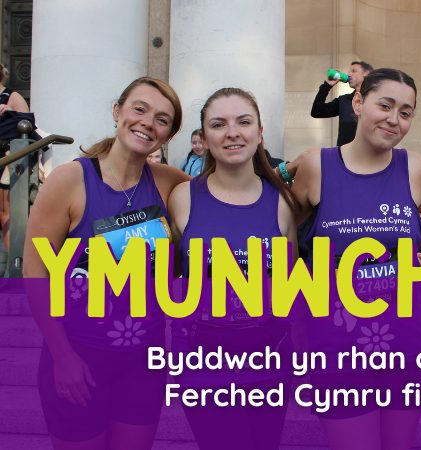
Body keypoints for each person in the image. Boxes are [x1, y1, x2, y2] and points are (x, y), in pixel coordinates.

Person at [22, 77, 187, 449]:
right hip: (77, 358)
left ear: (168, 134)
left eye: (162, 119)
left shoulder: (170, 183)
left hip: (143, 363)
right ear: (118, 111)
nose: (148, 122)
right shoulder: (69, 181)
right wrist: (62, 356)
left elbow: (226, 194)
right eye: (139, 109)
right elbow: (35, 273)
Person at [292, 68, 421, 450]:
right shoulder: (316, 166)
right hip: (337, 343)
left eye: (405, 112)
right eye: (384, 105)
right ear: (358, 102)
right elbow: (291, 239)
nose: (394, 119)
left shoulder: (415, 167)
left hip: (407, 339)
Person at [167, 87, 298, 450]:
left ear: (260, 132)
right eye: (218, 124)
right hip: (204, 359)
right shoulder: (182, 197)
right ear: (204, 138)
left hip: (270, 357)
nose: (232, 132)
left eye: (243, 122)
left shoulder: (284, 202)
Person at [0, 62, 30, 252]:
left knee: (5, 215)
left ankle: (13, 267)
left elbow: (29, 127)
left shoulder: (11, 96)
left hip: (6, 158)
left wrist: (10, 113)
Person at [310, 60, 374, 146]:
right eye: (349, 71)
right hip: (344, 156)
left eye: (354, 71)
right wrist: (327, 86)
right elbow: (317, 112)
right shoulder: (344, 100)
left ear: (366, 74)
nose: (349, 74)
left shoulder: (376, 100)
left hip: (369, 155)